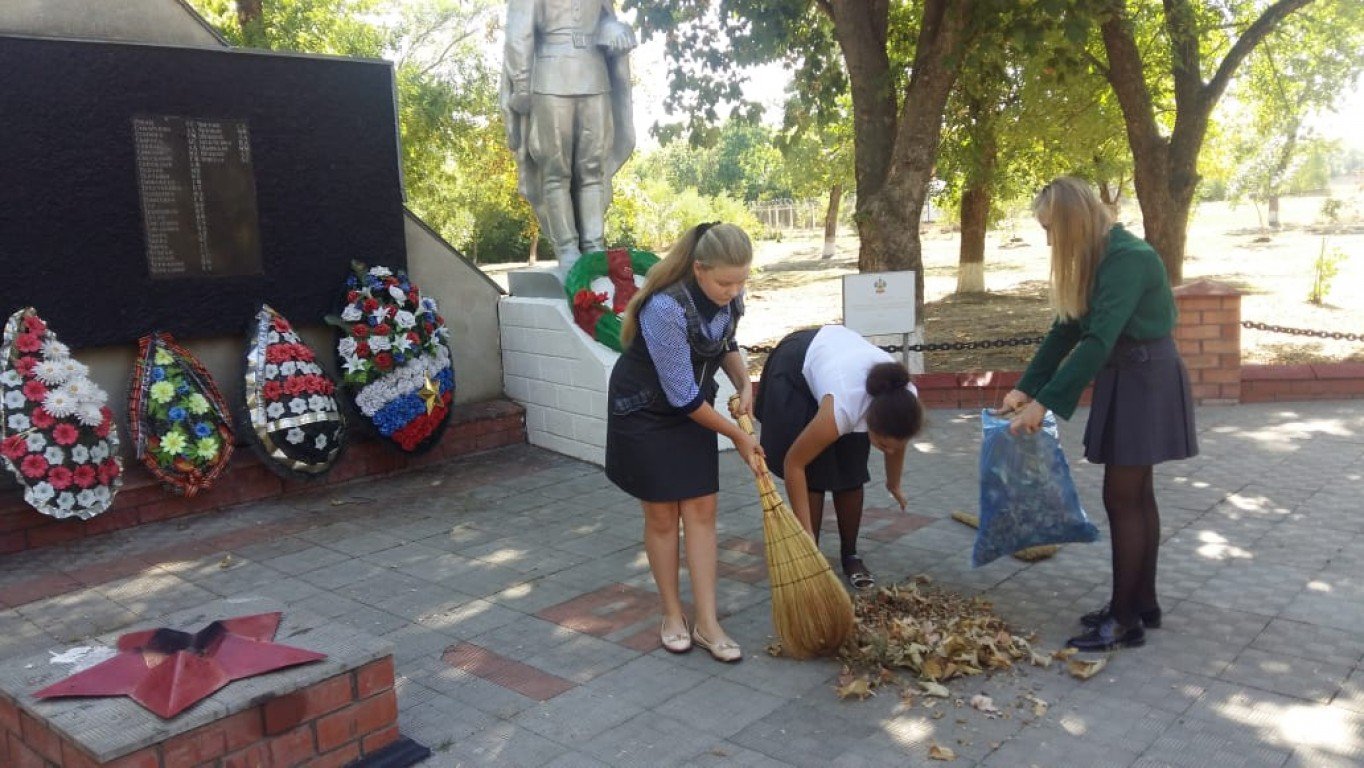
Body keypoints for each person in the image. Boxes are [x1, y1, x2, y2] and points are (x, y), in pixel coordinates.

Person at [1000, 177, 1198, 652]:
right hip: (1130, 377)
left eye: (1051, 229)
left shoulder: (1127, 259)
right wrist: (1025, 387)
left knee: (1123, 499)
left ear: (1072, 223)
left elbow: (1098, 340)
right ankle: (1142, 604)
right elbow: (1066, 328)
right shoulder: (1098, 257)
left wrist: (1044, 404)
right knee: (1136, 497)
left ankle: (1124, 620)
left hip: (1144, 379)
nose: (1048, 240)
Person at [605, 222, 762, 663]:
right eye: (724, 282)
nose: (733, 291)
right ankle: (672, 615)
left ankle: (708, 623)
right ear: (698, 268)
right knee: (661, 515)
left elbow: (725, 342)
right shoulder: (665, 308)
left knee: (702, 509)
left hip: (693, 410)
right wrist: (737, 436)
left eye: (741, 282)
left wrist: (744, 384)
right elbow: (683, 396)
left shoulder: (728, 295)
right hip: (645, 412)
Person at [754, 325, 924, 591]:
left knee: (850, 470)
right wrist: (804, 534)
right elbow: (794, 464)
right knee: (814, 469)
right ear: (869, 421)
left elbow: (897, 442)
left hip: (838, 363)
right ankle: (812, 555)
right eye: (882, 444)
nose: (888, 451)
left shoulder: (904, 399)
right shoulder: (845, 407)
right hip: (797, 364)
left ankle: (851, 556)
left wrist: (894, 484)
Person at [502, 0, 636, 279]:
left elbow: (604, 18)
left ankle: (594, 247)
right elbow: (519, 32)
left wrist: (613, 28)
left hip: (595, 76)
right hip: (550, 79)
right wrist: (523, 85)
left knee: (592, 171)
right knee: (555, 171)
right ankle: (566, 249)